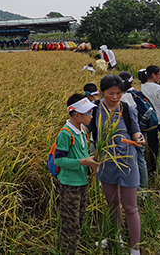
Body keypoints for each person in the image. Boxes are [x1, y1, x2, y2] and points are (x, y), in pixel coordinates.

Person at [87, 75, 144, 254]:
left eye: (119, 93)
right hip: (105, 160)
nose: (115, 97)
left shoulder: (126, 108)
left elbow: (135, 130)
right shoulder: (94, 109)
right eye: (111, 93)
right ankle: (114, 237)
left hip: (127, 160)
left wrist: (138, 138)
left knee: (131, 207)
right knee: (111, 203)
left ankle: (135, 249)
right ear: (102, 92)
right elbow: (85, 129)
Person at [54, 94, 100, 255]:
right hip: (69, 186)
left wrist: (92, 163)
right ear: (76, 114)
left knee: (79, 221)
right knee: (70, 226)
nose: (91, 116)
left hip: (82, 183)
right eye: (87, 113)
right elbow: (58, 161)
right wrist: (84, 162)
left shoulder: (82, 131)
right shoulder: (65, 133)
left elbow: (82, 155)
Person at [118, 72, 149, 190]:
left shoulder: (126, 97)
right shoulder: (137, 93)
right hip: (141, 129)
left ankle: (139, 187)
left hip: (132, 133)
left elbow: (131, 118)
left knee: (135, 159)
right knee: (141, 159)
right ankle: (143, 186)